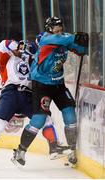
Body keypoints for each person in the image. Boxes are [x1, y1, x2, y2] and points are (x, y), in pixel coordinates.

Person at [12, 17, 88, 166]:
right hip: (41, 85)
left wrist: (84, 45)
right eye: (56, 28)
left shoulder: (63, 40)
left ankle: (72, 151)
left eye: (60, 27)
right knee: (39, 120)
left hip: (58, 84)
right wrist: (76, 37)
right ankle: (20, 151)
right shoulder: (48, 39)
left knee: (70, 113)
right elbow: (65, 39)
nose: (59, 29)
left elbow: (80, 50)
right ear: (49, 30)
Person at [0, 39, 69, 167]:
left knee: (46, 119)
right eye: (21, 48)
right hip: (10, 93)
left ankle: (53, 147)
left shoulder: (32, 62)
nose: (21, 51)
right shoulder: (5, 57)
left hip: (29, 96)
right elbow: (4, 44)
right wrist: (20, 47)